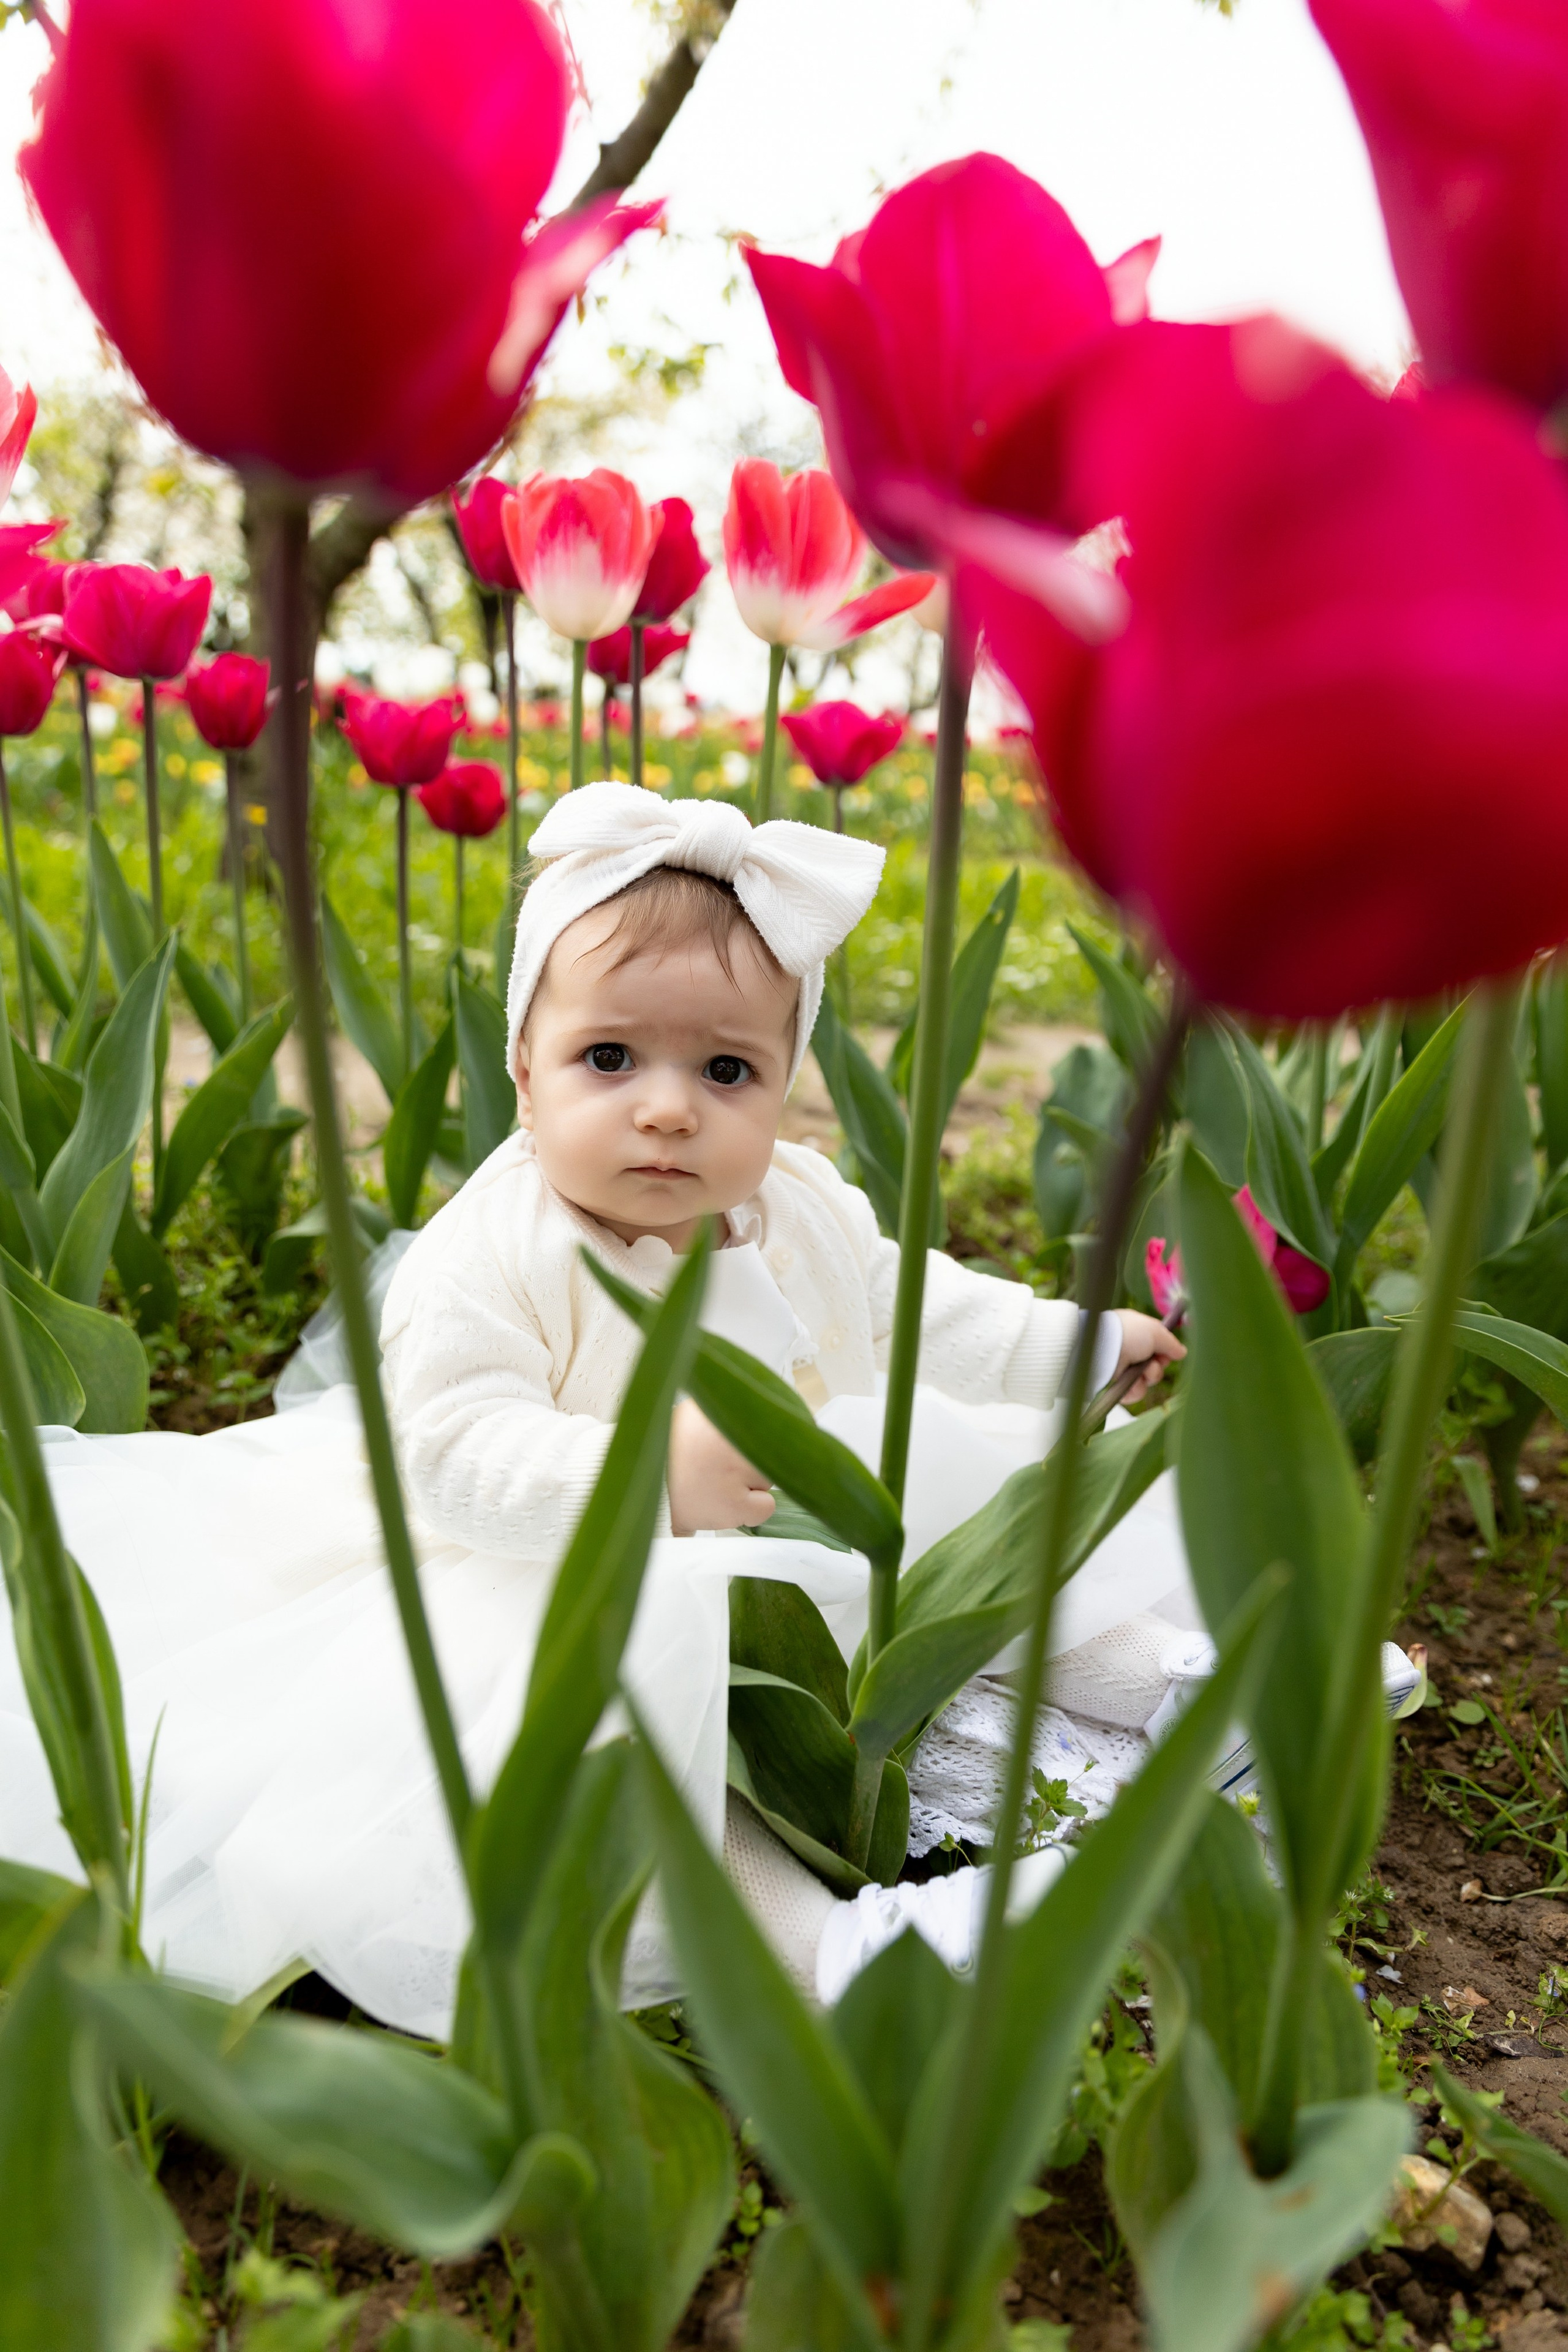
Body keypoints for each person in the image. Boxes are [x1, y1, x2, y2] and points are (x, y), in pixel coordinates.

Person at [0, 785, 1214, 2040]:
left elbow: (922, 1311)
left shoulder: (798, 1205)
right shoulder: (492, 1254)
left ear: (783, 1086)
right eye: (610, 1059)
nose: (669, 1107)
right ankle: (823, 1953)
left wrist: (1070, 1347)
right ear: (525, 1075)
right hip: (557, 1572)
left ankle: (1174, 1692)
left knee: (972, 1543)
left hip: (786, 1541)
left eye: (727, 1070)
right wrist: (647, 1476)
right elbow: (453, 1452)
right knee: (654, 1739)